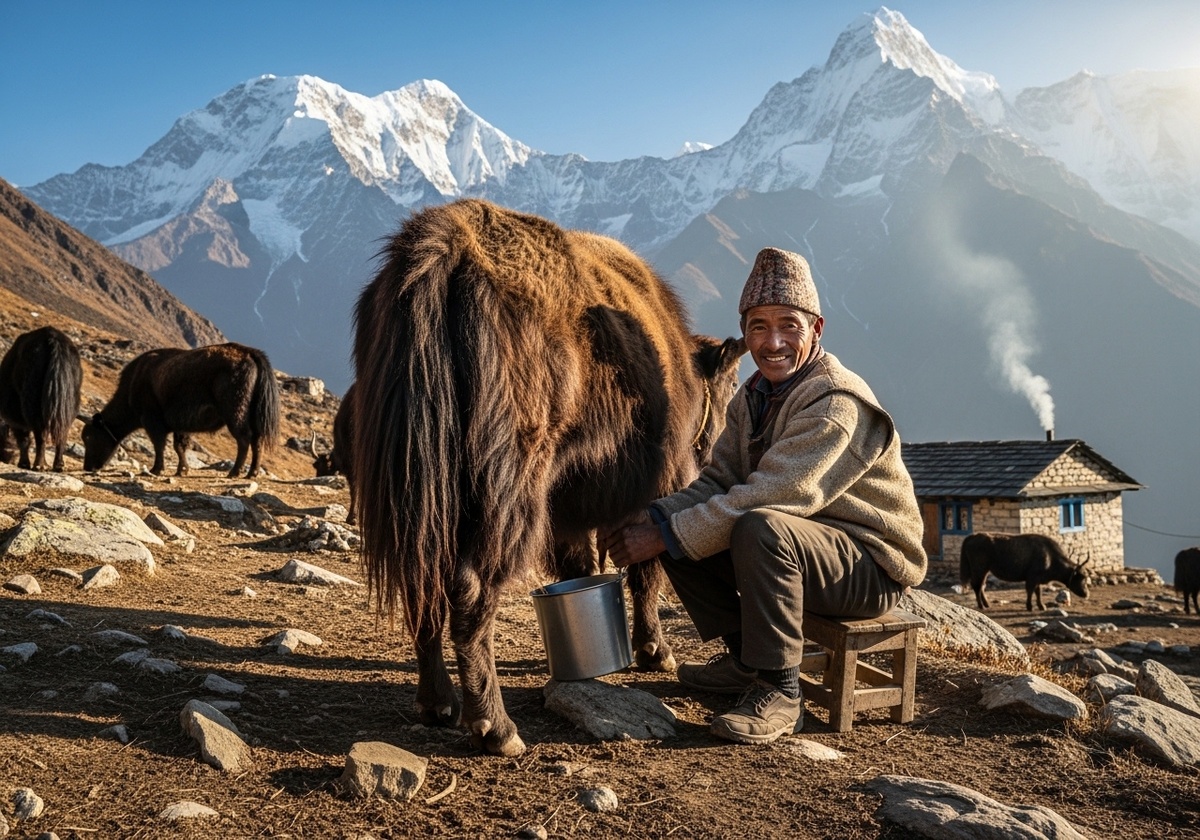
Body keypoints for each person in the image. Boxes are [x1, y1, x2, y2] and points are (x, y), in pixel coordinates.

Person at [601, 247, 926, 745]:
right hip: (807, 547)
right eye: (758, 326)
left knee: (755, 526)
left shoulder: (835, 402)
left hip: (867, 565)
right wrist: (650, 517)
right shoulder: (753, 396)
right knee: (678, 529)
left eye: (788, 326)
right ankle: (746, 660)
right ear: (745, 331)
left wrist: (664, 535)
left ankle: (780, 692)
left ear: (816, 330)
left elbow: (779, 494)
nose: (772, 342)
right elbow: (718, 480)